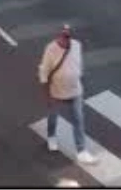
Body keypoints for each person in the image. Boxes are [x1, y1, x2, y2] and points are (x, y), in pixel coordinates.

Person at [38, 24, 98, 165]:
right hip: (56, 91)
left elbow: (79, 63)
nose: (66, 39)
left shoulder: (77, 45)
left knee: (78, 119)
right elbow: (44, 71)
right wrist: (46, 94)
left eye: (68, 36)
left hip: (75, 90)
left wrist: (79, 76)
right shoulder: (50, 49)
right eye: (63, 36)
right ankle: (51, 137)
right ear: (58, 36)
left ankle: (81, 151)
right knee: (53, 117)